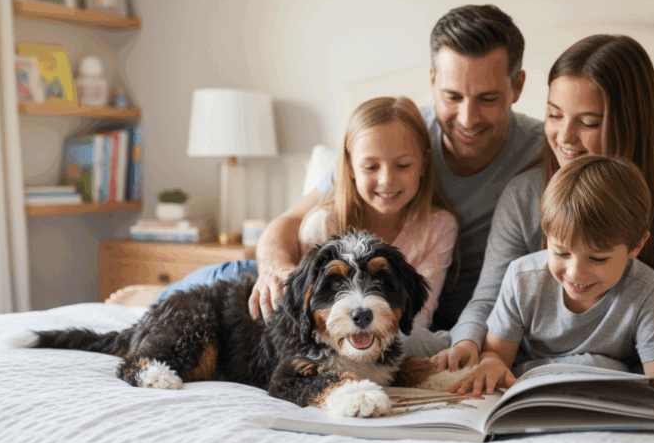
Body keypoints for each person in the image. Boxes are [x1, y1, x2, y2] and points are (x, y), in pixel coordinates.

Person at [436, 34, 654, 386]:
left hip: (642, 349)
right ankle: (593, 374)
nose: (564, 136)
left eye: (589, 122)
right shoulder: (525, 192)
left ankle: (601, 373)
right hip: (535, 350)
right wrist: (467, 341)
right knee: (441, 342)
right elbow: (490, 297)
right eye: (554, 115)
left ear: (628, 121)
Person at [249, 4, 545, 334]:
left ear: (517, 87)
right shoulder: (396, 136)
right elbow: (289, 222)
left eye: (487, 99)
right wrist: (274, 267)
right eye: (452, 96)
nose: (468, 118)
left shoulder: (545, 151)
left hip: (436, 321)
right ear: (432, 81)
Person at [157, 96, 458, 328]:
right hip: (247, 281)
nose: (387, 180)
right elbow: (309, 313)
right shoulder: (325, 221)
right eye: (370, 167)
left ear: (424, 163)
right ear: (350, 168)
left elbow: (418, 319)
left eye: (403, 165)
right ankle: (150, 294)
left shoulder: (438, 227)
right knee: (170, 308)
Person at [451, 155, 654, 402]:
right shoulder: (521, 278)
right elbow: (496, 354)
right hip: (527, 374)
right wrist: (491, 365)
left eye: (598, 258)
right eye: (561, 252)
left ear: (636, 246)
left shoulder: (647, 291)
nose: (575, 273)